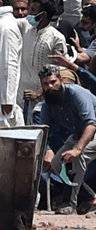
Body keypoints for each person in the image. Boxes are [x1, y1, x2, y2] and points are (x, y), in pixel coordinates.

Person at [38, 64, 96, 214]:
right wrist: (48, 150)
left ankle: (70, 204)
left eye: (53, 82)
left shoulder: (77, 94)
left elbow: (91, 124)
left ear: (61, 80)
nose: (49, 87)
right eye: (45, 84)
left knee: (77, 157)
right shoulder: (47, 104)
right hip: (78, 134)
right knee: (57, 163)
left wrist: (77, 149)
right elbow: (43, 132)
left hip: (92, 131)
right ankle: (91, 197)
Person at [20, 0, 69, 121]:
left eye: (33, 11)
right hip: (20, 94)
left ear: (43, 14)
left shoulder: (56, 37)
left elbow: (60, 71)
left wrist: (38, 93)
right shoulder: (25, 29)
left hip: (42, 98)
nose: (29, 14)